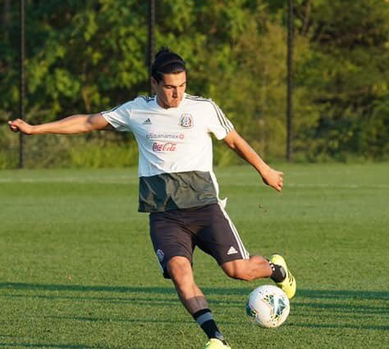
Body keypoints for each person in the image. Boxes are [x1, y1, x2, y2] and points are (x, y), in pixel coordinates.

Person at [8, 47, 296, 349]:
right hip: (164, 215)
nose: (177, 94)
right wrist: (35, 129)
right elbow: (88, 122)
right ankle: (216, 338)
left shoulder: (203, 108)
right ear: (154, 84)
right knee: (179, 272)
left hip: (204, 207)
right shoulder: (136, 110)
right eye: (170, 87)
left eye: (182, 86)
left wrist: (264, 169)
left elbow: (234, 140)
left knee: (239, 271)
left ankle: (276, 269)